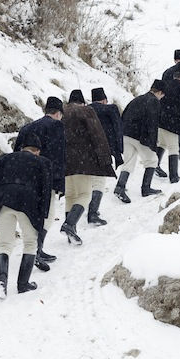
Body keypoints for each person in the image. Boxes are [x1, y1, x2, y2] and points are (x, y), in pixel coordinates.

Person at [0, 132, 51, 299]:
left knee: (4, 243)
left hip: (4, 202)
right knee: (30, 242)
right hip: (29, 204)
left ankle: (2, 281)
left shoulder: (4, 159)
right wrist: (43, 214)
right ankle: (23, 284)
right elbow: (45, 191)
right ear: (37, 151)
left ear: (21, 147)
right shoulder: (42, 163)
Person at [13, 96, 64, 269]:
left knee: (32, 215)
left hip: (24, 178)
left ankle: (36, 251)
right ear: (58, 113)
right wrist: (59, 182)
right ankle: (36, 251)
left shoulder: (27, 127)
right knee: (47, 217)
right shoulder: (57, 126)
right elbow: (59, 156)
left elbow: (16, 153)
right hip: (45, 178)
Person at [61, 89, 115, 245]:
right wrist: (105, 158)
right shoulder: (86, 111)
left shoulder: (61, 112)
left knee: (70, 195)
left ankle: (71, 231)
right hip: (82, 160)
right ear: (82, 101)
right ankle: (69, 225)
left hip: (64, 161)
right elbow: (97, 134)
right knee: (85, 194)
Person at [115, 80, 165, 202]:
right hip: (140, 136)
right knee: (152, 160)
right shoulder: (154, 102)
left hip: (126, 134)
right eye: (162, 95)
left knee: (129, 162)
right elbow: (152, 123)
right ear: (159, 92)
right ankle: (146, 188)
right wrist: (152, 143)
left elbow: (124, 114)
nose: (162, 98)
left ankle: (120, 187)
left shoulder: (137, 99)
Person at [89, 87, 123, 226]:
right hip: (102, 149)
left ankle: (76, 213)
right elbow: (117, 128)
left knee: (85, 183)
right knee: (99, 182)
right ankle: (92, 213)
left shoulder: (86, 110)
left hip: (85, 150)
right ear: (104, 100)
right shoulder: (110, 109)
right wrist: (118, 151)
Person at [158, 68, 180, 182]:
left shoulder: (164, 86)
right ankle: (173, 176)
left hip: (159, 120)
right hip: (172, 123)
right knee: (173, 148)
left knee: (162, 143)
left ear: (174, 76)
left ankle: (156, 165)